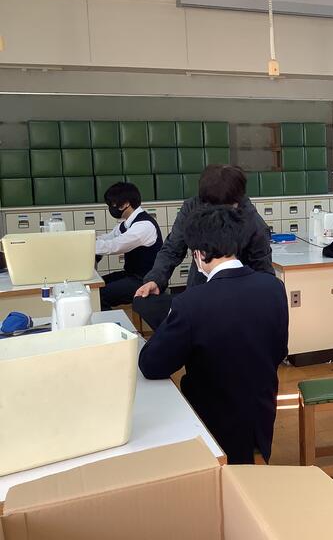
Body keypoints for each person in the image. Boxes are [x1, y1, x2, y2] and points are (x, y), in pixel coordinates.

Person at [138, 205, 289, 465]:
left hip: (212, 420)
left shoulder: (191, 302)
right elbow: (279, 350)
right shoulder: (274, 287)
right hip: (261, 414)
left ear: (199, 254)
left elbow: (152, 365)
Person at [133, 164, 274, 330]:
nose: (218, 215)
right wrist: (155, 279)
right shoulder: (192, 207)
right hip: (199, 289)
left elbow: (263, 271)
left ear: (237, 200)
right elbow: (172, 248)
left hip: (238, 296)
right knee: (148, 305)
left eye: (225, 207)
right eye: (211, 207)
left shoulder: (253, 223)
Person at [95, 182, 163, 311]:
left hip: (146, 280)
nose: (111, 208)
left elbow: (115, 245)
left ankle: (115, 324)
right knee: (94, 288)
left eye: (112, 204)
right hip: (131, 275)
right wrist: (89, 241)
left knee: (98, 296)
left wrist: (88, 247)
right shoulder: (127, 224)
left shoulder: (144, 226)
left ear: (125, 204)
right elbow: (109, 238)